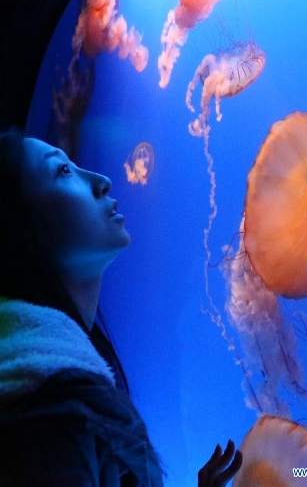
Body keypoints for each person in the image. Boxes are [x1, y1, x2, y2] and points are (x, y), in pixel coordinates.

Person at [0, 129, 242, 486]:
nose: (103, 181)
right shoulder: (51, 418)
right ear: (17, 234)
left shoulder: (62, 381)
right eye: (63, 171)